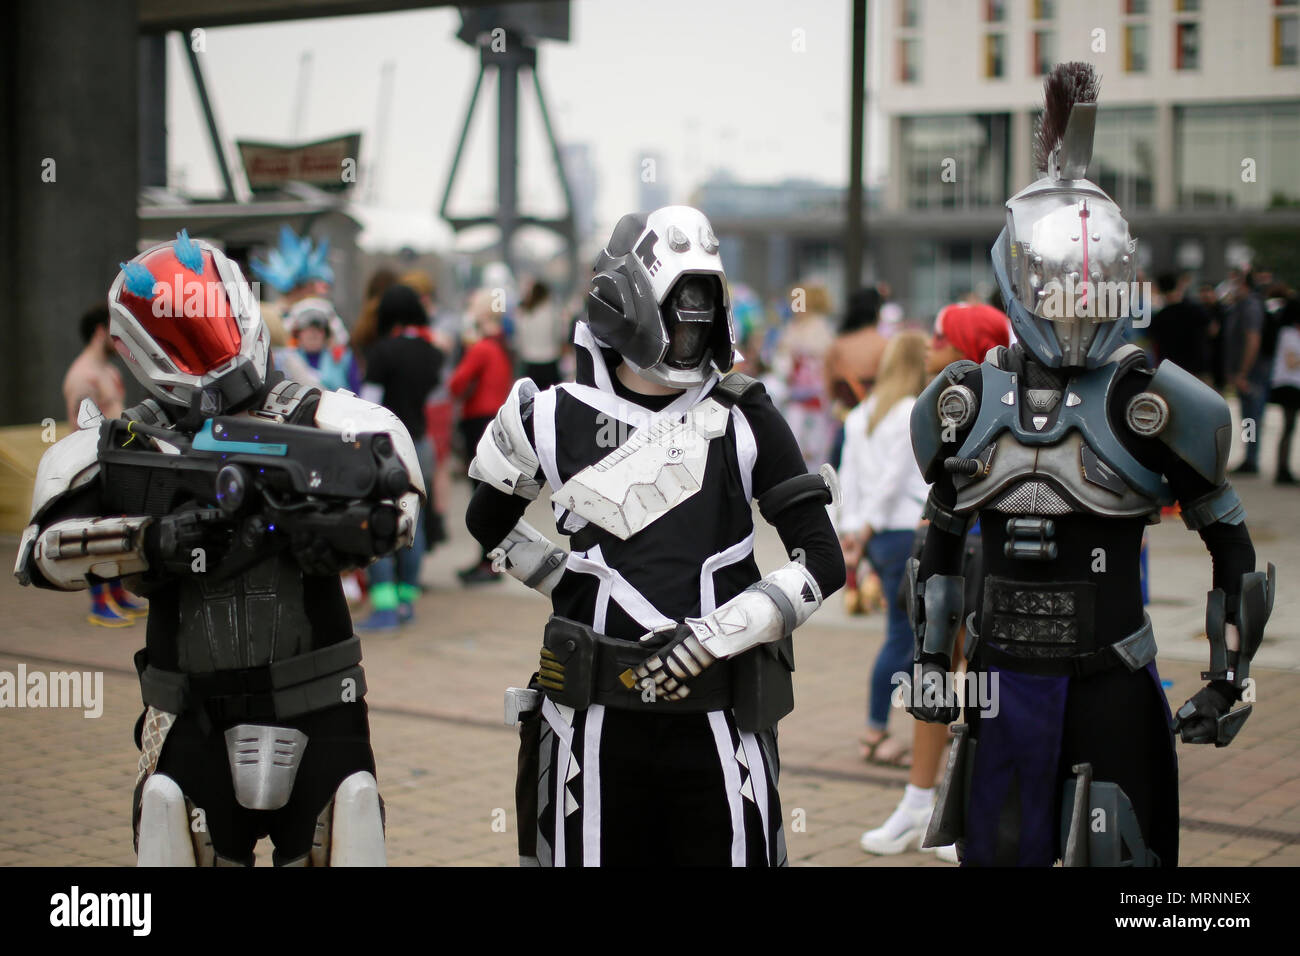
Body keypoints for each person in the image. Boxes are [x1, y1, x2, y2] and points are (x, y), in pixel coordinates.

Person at [907, 64, 1274, 867]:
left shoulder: (1156, 401)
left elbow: (1232, 546)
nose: (1074, 305)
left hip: (1112, 688)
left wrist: (1229, 675)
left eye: (1090, 288)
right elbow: (937, 540)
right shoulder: (966, 398)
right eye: (1057, 286)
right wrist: (932, 663)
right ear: (1019, 278)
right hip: (999, 687)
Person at [15, 230, 425, 865]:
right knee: (170, 824)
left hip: (319, 704)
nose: (207, 349)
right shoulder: (131, 445)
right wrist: (154, 540)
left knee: (349, 820)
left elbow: (398, 506)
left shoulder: (323, 420)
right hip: (189, 712)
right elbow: (41, 552)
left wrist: (329, 533)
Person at [465, 206, 845, 866]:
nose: (692, 320)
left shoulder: (743, 413)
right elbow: (485, 522)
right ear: (630, 300)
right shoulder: (549, 416)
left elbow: (822, 559)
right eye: (679, 302)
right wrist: (565, 578)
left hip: (718, 719)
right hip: (592, 723)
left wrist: (717, 634)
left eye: (702, 303)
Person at [857, 302, 1009, 861]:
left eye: (941, 338)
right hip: (940, 549)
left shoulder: (1006, 416)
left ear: (969, 347)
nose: (929, 346)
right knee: (933, 668)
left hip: (985, 557)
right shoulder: (935, 411)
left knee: (980, 678)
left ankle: (960, 802)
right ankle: (920, 801)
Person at [837, 332, 931, 771]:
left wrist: (852, 532)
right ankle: (875, 732)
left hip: (876, 537)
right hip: (903, 532)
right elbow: (894, 478)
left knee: (905, 634)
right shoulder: (910, 412)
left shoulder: (860, 414)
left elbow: (846, 477)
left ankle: (904, 727)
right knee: (905, 637)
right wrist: (866, 527)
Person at [357, 284, 444, 629]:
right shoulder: (431, 352)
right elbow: (437, 394)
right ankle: (408, 602)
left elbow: (368, 403)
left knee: (377, 520)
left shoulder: (382, 352)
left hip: (385, 446)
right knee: (413, 524)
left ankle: (385, 607)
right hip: (420, 445)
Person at [62, 305, 144, 626]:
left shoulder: (109, 371)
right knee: (95, 535)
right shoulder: (82, 375)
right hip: (94, 461)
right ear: (99, 331)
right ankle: (99, 602)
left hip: (116, 457)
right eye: (113, 328)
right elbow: (81, 425)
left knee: (115, 532)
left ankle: (118, 593)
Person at [450, 290, 516, 584]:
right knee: (490, 490)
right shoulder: (503, 346)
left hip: (477, 420)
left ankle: (487, 561)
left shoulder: (481, 348)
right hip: (496, 418)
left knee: (480, 492)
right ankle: (490, 559)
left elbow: (455, 383)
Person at [773, 283, 837, 468]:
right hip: (795, 394)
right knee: (794, 438)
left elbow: (822, 353)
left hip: (816, 395)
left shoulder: (820, 326)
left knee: (816, 445)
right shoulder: (793, 326)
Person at [1225, 269, 1272, 475]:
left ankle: (1251, 459)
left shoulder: (1250, 306)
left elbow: (1253, 340)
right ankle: (1249, 456)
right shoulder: (1243, 305)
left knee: (1252, 417)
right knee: (1248, 417)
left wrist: (1243, 372)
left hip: (1253, 373)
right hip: (1249, 372)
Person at [286, 297, 359, 394]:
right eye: (307, 329)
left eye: (319, 329)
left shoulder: (343, 358)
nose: (313, 334)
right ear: (297, 334)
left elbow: (358, 394)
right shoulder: (286, 359)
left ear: (326, 334)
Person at [1149, 273, 1211, 377]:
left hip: (1171, 371)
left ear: (1160, 290)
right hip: (1197, 369)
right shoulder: (1196, 310)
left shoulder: (1159, 317)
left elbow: (1154, 343)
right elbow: (1213, 330)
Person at [1269, 294, 1300, 485]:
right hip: (1288, 384)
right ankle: (1282, 468)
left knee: (1289, 427)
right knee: (1288, 427)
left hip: (1291, 385)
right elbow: (1291, 362)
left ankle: (1284, 467)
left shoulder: (1289, 333)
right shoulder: (1288, 334)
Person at [514, 277, 566, 390]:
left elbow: (519, 339)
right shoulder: (552, 312)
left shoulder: (524, 313)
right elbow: (559, 335)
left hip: (529, 361)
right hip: (550, 360)